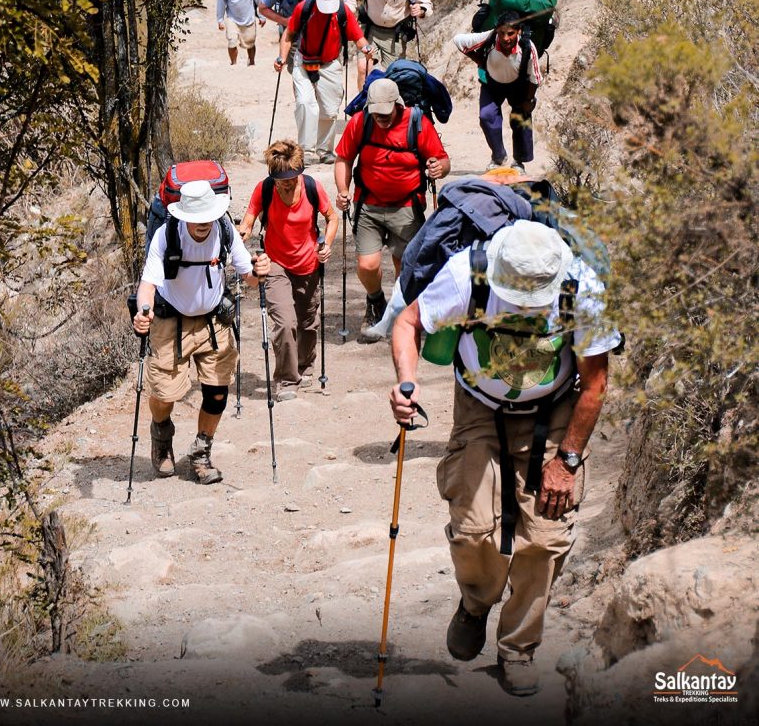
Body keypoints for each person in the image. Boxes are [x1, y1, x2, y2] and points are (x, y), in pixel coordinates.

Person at [389, 219, 621, 697]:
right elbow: (409, 323)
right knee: (473, 529)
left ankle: (518, 647)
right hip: (479, 404)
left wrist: (568, 460)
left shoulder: (583, 289)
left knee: (546, 537)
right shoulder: (467, 273)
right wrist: (405, 384)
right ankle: (476, 603)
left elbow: (595, 382)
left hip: (555, 409)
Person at [132, 180, 270, 485]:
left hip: (213, 320)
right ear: (184, 217)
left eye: (207, 216)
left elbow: (248, 276)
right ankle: (161, 432)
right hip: (170, 321)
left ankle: (201, 452)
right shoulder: (165, 236)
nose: (204, 224)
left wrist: (260, 271)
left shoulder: (224, 230)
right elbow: (147, 285)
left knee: (217, 391)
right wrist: (144, 312)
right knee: (165, 393)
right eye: (197, 219)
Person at [334, 78, 450, 341]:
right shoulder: (360, 122)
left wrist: (438, 168)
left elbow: (443, 160)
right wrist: (343, 189)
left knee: (405, 268)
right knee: (367, 264)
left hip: (407, 207)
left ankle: (403, 319)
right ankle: (375, 301)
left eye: (385, 114)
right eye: (376, 113)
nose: (381, 119)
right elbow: (344, 158)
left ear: (398, 104)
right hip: (368, 205)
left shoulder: (418, 123)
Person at [238, 139, 339, 401]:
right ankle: (286, 380)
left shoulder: (311, 186)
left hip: (308, 263)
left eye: (292, 178)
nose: (287, 183)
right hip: (275, 263)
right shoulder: (265, 189)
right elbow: (249, 220)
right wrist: (244, 232)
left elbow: (332, 217)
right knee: (285, 322)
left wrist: (326, 245)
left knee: (307, 322)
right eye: (282, 179)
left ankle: (305, 366)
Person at [274, 0, 370, 166]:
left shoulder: (342, 12)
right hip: (304, 62)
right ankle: (306, 151)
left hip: (330, 64)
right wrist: (282, 58)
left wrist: (366, 49)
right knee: (305, 104)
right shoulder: (304, 8)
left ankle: (325, 150)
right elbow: (288, 35)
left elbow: (359, 39)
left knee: (329, 110)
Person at [453, 10, 541, 172]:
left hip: (518, 85)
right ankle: (498, 156)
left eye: (510, 33)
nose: (505, 38)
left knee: (520, 120)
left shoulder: (528, 47)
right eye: (501, 33)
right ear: (496, 31)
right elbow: (458, 41)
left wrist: (528, 100)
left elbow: (535, 78)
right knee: (486, 116)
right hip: (492, 84)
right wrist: (478, 59)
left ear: (519, 31)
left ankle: (519, 161)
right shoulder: (490, 38)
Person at [345, 0, 433, 89]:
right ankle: (362, 106)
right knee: (364, 69)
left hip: (395, 35)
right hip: (370, 30)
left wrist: (421, 10)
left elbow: (426, 4)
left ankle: (387, 108)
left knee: (392, 76)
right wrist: (348, 12)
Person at [216, 0, 264, 66]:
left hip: (248, 17)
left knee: (250, 42)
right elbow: (221, 1)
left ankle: (251, 62)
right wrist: (220, 19)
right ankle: (233, 63)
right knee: (232, 41)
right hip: (232, 18)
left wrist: (262, 16)